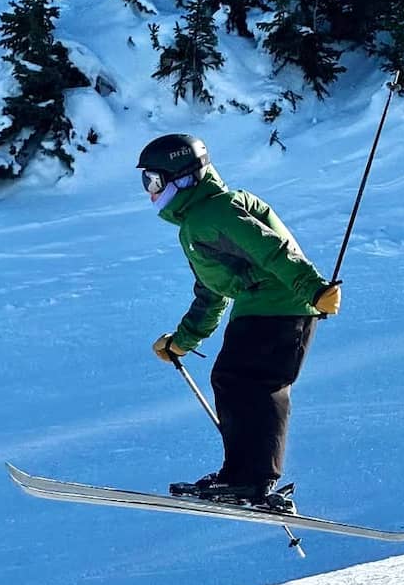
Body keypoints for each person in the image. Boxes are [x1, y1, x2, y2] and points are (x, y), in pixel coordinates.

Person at [139, 132, 342, 511]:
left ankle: (252, 479)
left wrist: (313, 288)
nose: (149, 192)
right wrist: (183, 340)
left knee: (250, 383)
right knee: (233, 381)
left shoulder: (218, 211)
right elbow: (211, 292)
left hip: (282, 307)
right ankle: (240, 475)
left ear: (182, 178)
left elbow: (271, 249)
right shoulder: (197, 223)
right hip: (260, 308)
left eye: (153, 181)